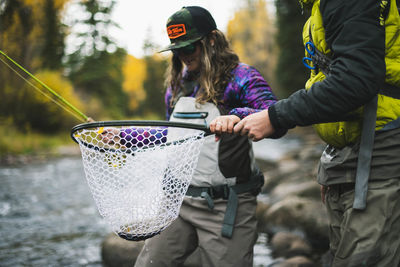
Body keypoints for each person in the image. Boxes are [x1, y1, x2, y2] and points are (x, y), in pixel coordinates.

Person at [211, 0, 400, 266]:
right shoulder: (318, 8)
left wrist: (274, 117)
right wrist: (332, 167)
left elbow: (356, 81)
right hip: (352, 156)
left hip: (382, 150)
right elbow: (338, 90)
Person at [134, 6, 284, 267]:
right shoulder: (178, 84)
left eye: (189, 48)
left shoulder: (242, 77)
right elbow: (174, 135)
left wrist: (236, 116)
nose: (183, 56)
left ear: (212, 40)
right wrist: (125, 138)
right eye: (177, 50)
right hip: (177, 202)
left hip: (228, 204)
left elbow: (275, 115)